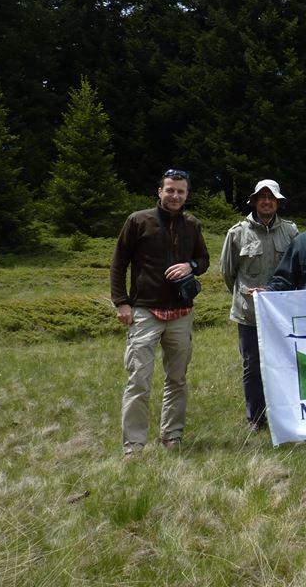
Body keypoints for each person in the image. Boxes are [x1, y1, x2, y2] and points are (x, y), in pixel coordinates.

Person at [110, 168, 209, 459]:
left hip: (181, 312)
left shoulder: (192, 224)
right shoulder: (138, 221)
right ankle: (134, 446)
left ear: (187, 194)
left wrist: (190, 266)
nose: (175, 195)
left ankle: (172, 435)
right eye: (170, 190)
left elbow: (203, 259)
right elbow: (118, 264)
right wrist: (122, 303)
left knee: (177, 377)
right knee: (139, 379)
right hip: (144, 311)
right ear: (160, 191)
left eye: (180, 191)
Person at [220, 179, 298, 431]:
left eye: (271, 198)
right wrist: (246, 295)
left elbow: (296, 270)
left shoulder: (291, 231)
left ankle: (284, 414)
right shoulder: (237, 233)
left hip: (282, 315)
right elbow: (228, 273)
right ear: (254, 201)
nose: (266, 201)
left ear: (278, 203)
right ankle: (255, 417)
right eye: (262, 197)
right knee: (252, 366)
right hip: (249, 314)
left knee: (285, 363)